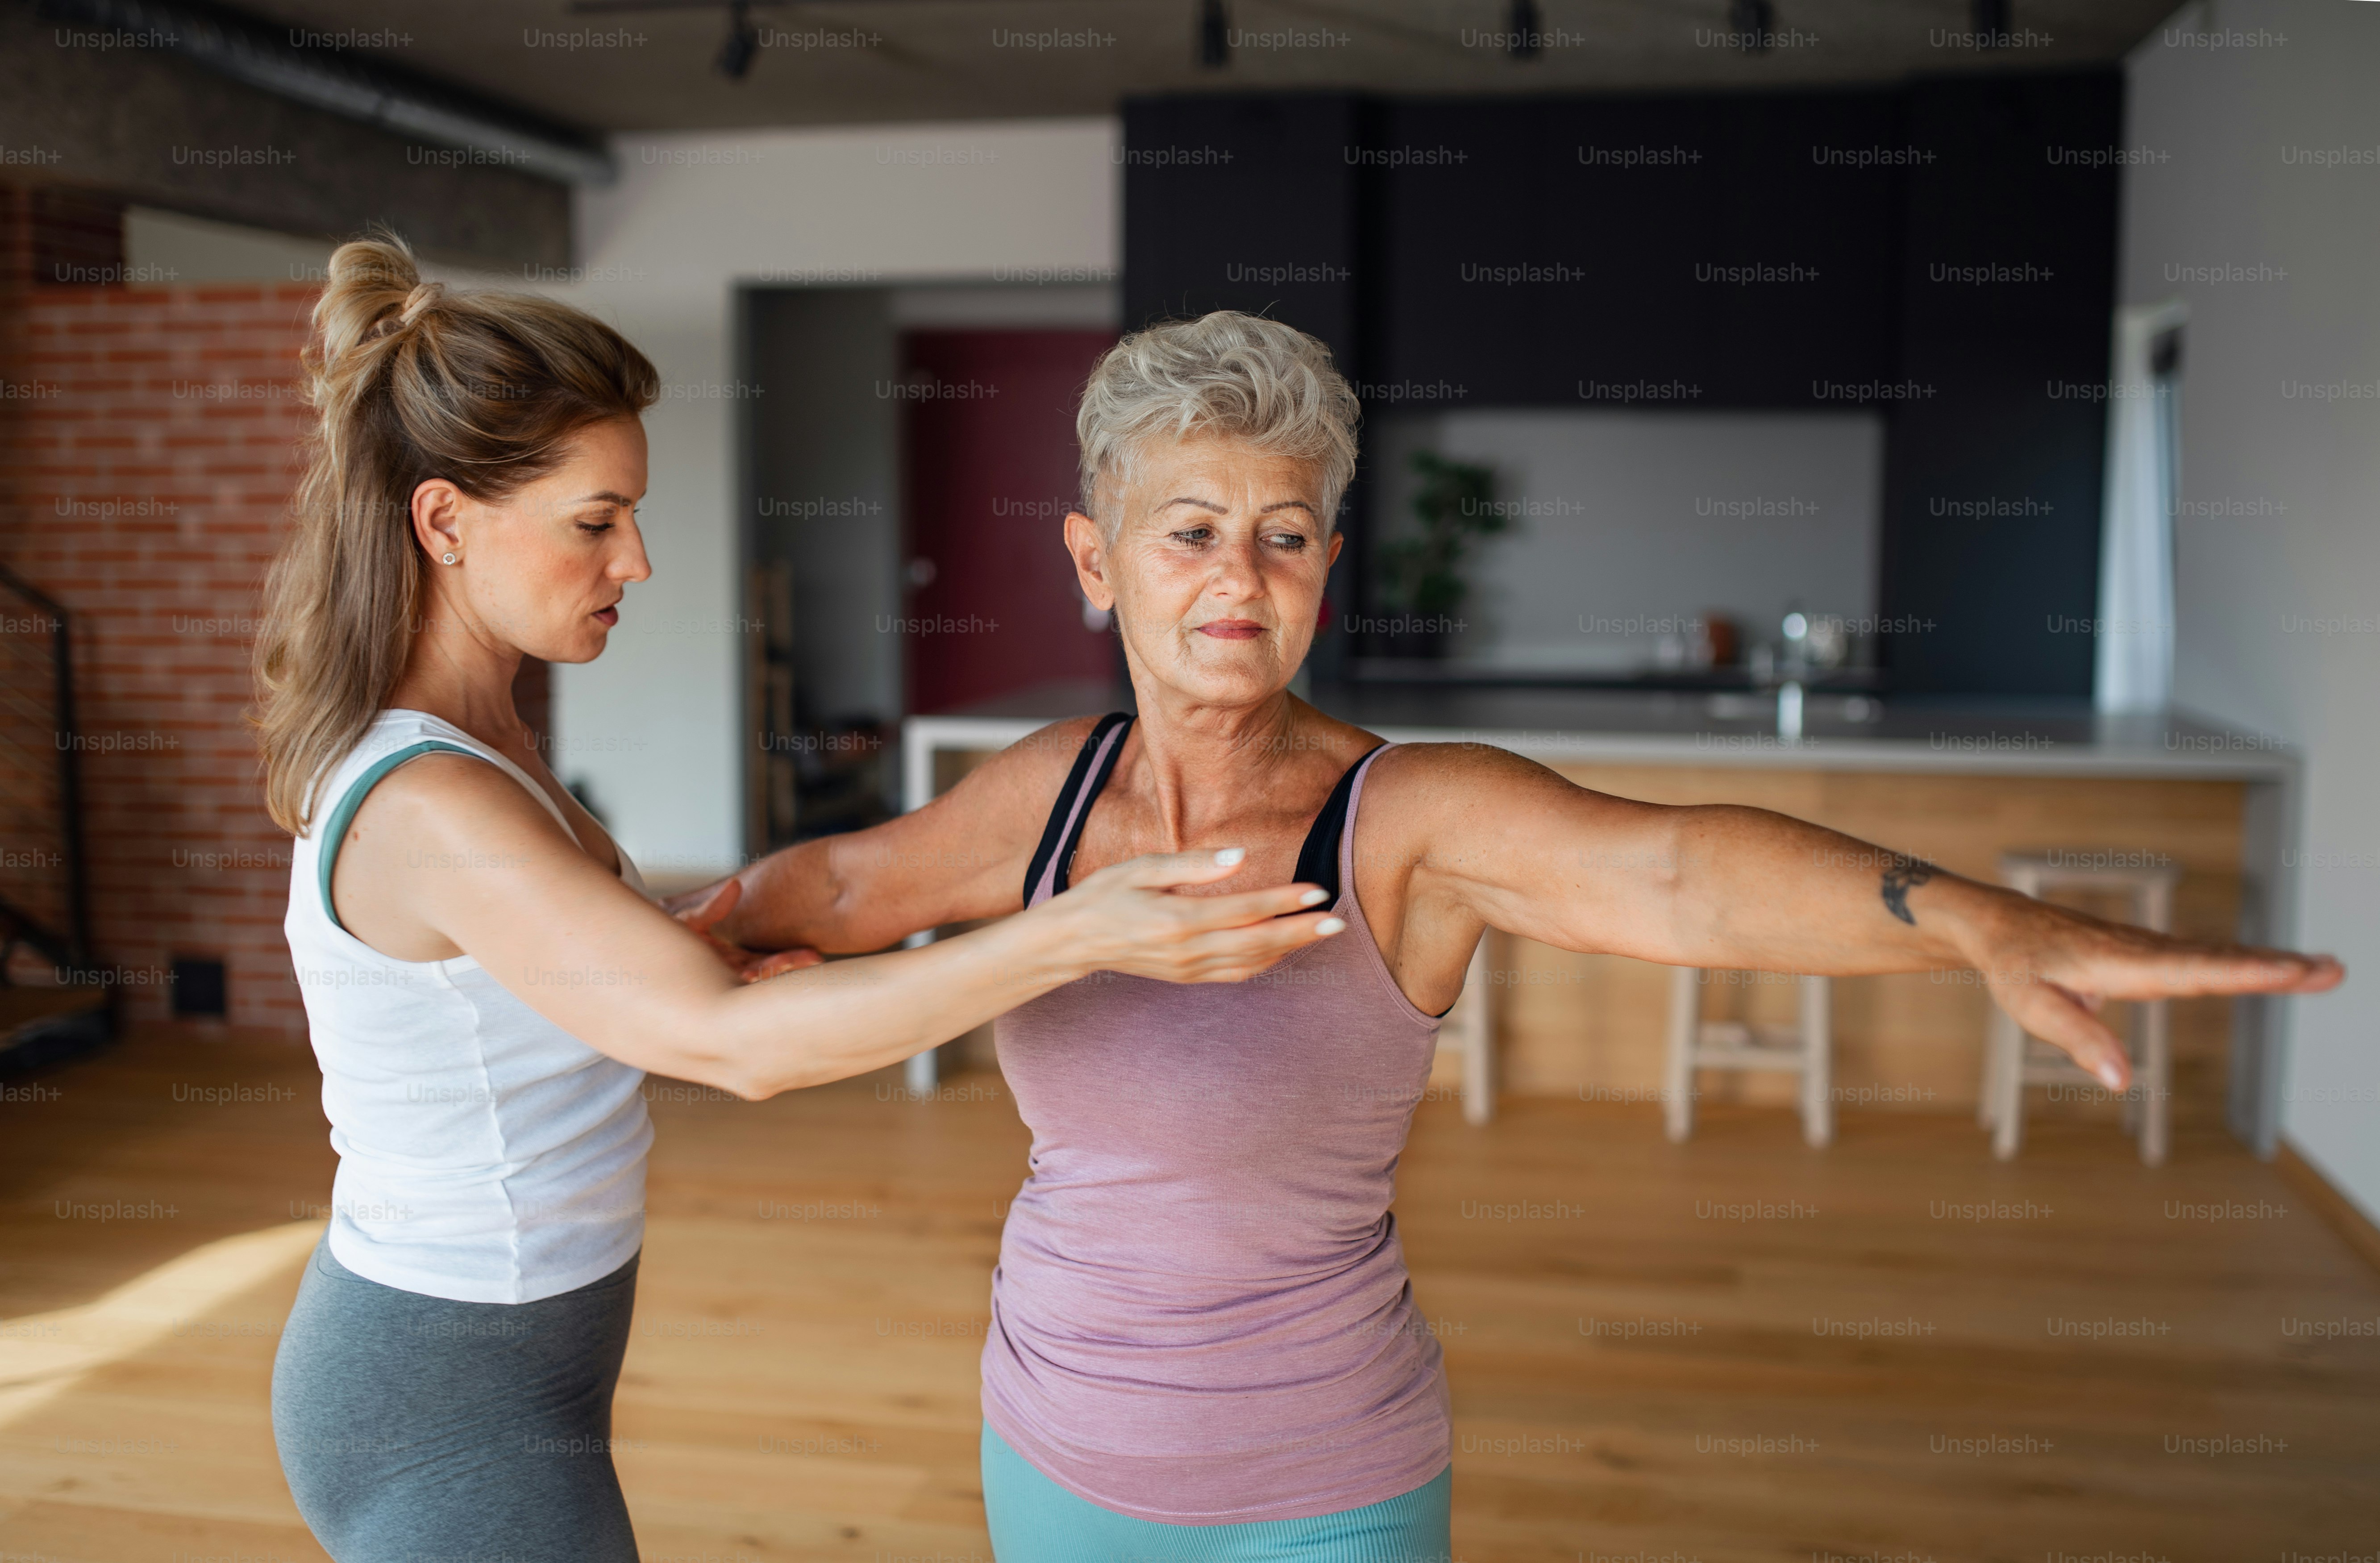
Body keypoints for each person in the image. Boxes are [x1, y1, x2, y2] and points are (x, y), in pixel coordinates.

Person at [678, 310, 2344, 1560]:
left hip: (1321, 1477)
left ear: (1327, 565)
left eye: (1281, 536)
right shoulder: (1046, 786)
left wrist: (1972, 923)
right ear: (1094, 564)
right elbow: (836, 896)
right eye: (1187, 531)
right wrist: (599, 915)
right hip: (1042, 1438)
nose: (1234, 580)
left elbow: (1677, 874)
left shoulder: (1408, 817)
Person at [256, 246, 1344, 1563]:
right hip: (439, 1389)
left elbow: (557, 982)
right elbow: (731, 1052)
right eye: (596, 521)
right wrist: (1081, 930)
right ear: (444, 524)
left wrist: (686, 951)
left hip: (516, 1350)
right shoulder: (429, 800)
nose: (638, 559)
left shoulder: (480, 748)